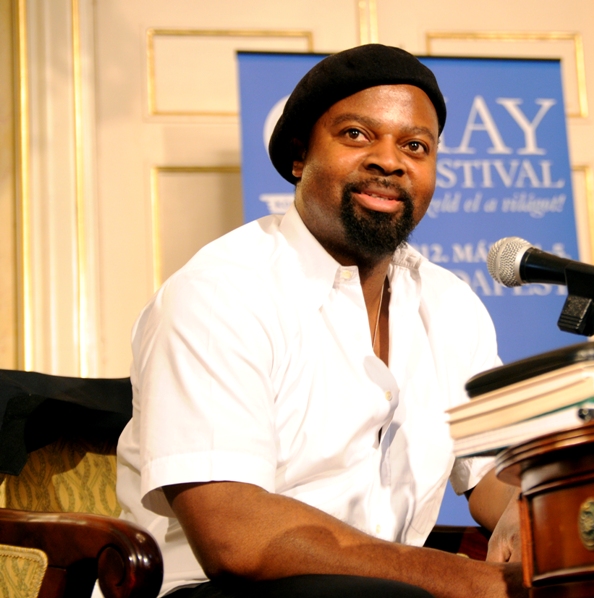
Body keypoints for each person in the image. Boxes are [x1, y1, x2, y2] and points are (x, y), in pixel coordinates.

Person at [114, 44, 525, 598]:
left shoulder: (451, 305)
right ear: (299, 156)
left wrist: (528, 508)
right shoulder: (219, 294)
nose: (389, 161)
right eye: (356, 134)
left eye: (415, 146)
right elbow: (234, 535)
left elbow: (491, 471)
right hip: (212, 590)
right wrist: (465, 580)